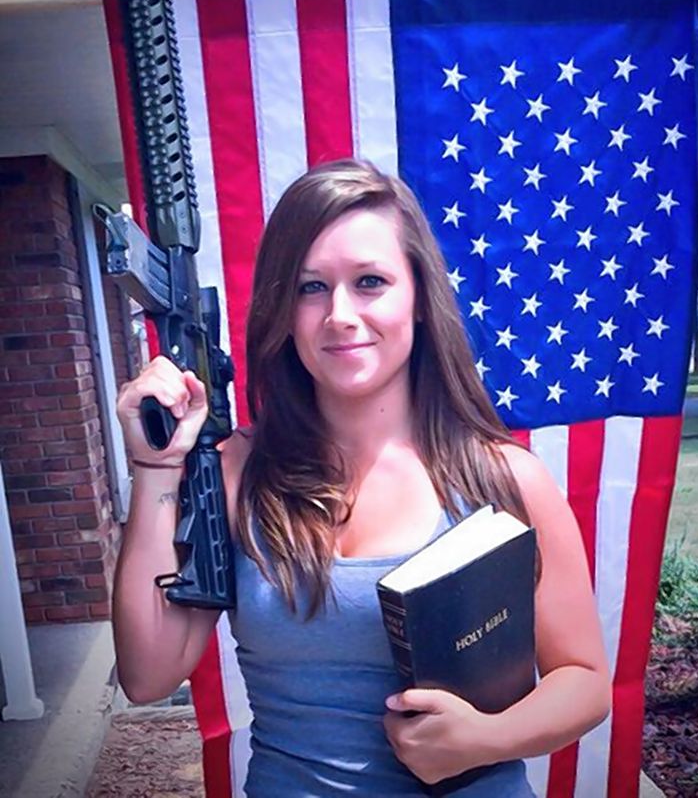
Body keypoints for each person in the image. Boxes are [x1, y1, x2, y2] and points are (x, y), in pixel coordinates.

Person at [113, 159, 610, 796]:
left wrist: (487, 738)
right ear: (284, 310)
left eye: (370, 281)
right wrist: (156, 467)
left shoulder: (504, 478)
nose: (340, 314)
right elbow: (148, 675)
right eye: (310, 287)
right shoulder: (236, 470)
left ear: (420, 299)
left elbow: (583, 681)